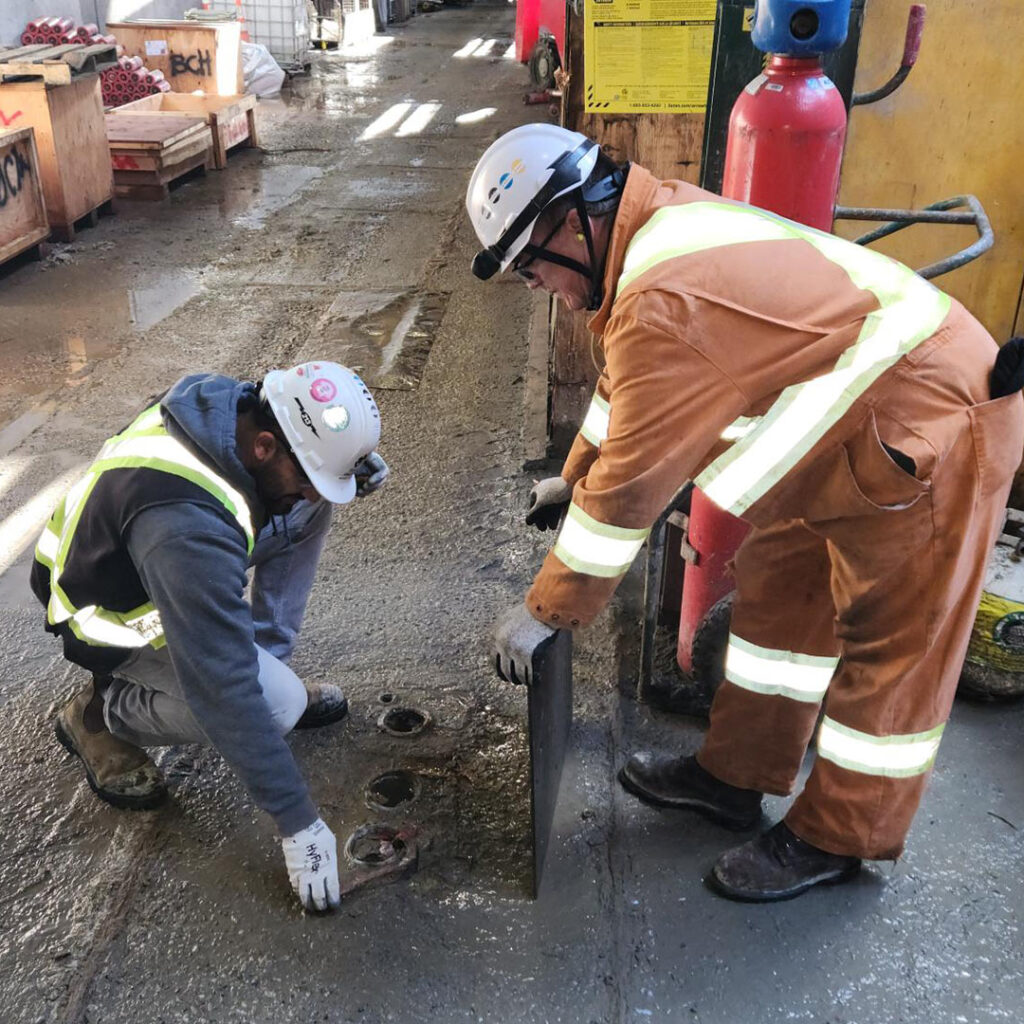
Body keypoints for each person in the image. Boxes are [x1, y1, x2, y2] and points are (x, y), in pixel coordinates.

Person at [466, 124, 1024, 901]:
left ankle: (834, 837)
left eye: (533, 268)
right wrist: (571, 476)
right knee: (780, 608)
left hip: (934, 424)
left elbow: (629, 489)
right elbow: (628, 393)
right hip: (852, 438)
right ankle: (734, 778)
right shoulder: (653, 236)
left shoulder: (664, 295)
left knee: (894, 648)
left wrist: (545, 611)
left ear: (571, 221)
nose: (539, 287)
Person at [32, 361, 389, 913]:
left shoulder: (229, 411)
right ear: (266, 447)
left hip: (147, 563)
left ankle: (265, 673)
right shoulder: (184, 532)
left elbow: (302, 475)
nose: (305, 491)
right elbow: (221, 686)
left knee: (308, 513)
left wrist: (343, 468)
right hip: (113, 618)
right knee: (267, 707)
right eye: (305, 476)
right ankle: (102, 712)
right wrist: (298, 823)